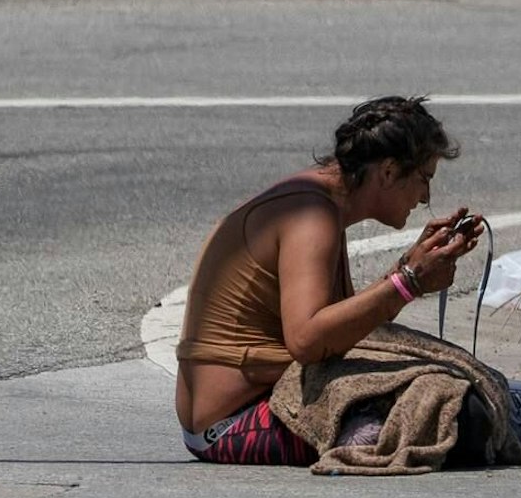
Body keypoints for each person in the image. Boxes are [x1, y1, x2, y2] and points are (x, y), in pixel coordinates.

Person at [174, 95, 482, 465]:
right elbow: (308, 341)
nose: (425, 197)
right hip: (231, 425)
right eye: (423, 179)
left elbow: (341, 332)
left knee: (452, 392)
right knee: (459, 413)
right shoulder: (311, 214)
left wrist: (411, 265)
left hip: (242, 411)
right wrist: (409, 281)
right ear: (387, 171)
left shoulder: (319, 204)